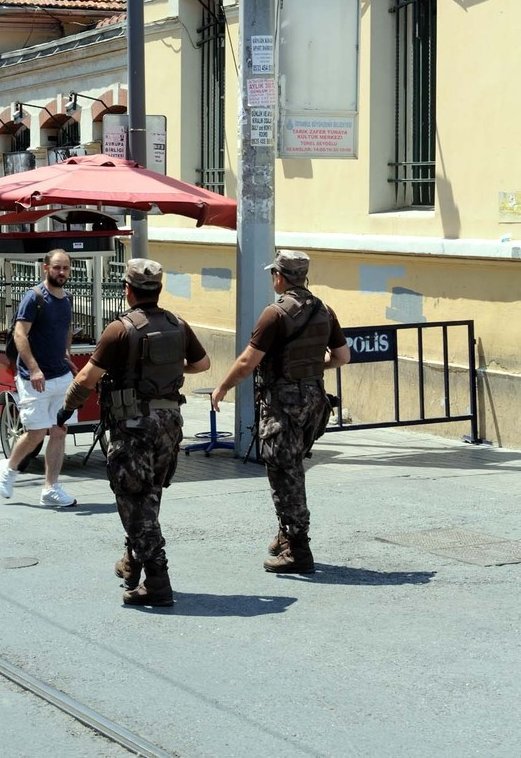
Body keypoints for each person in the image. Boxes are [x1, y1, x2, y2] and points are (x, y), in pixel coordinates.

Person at [56, 258, 210, 607]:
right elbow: (202, 364)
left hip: (134, 426)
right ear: (158, 289)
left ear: (127, 290)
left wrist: (65, 410)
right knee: (149, 494)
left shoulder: (120, 330)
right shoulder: (177, 323)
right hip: (170, 422)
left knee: (133, 498)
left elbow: (86, 379)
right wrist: (170, 369)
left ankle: (157, 582)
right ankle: (132, 563)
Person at [211, 250, 350, 575]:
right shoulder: (324, 310)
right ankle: (286, 534)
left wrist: (223, 387)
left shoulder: (274, 315)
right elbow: (343, 356)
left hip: (282, 407)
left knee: (286, 476)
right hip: (315, 404)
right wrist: (316, 367)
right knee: (292, 470)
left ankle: (298, 550)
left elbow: (248, 361)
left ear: (280, 277)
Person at [0, 249, 78, 508]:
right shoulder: (34, 297)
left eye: (65, 267)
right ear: (45, 268)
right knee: (36, 432)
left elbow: (65, 328)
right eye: (56, 267)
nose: (61, 272)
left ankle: (50, 488)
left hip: (60, 375)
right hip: (34, 378)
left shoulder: (67, 299)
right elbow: (20, 334)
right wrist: (33, 368)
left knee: (59, 430)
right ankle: (9, 468)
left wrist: (67, 355)